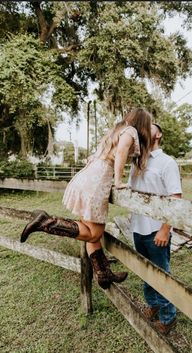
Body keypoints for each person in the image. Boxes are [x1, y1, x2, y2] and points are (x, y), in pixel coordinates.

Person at [20, 108, 152, 290]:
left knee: (90, 235)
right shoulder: (130, 131)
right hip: (97, 180)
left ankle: (104, 274)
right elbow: (121, 153)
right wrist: (119, 181)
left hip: (88, 176)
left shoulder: (116, 130)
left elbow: (94, 156)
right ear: (142, 123)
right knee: (94, 233)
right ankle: (46, 222)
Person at [128, 123, 182, 335]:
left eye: (149, 126)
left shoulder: (167, 163)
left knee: (161, 274)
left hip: (156, 230)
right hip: (137, 228)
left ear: (158, 134)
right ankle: (154, 305)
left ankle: (168, 317)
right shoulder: (136, 162)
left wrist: (165, 230)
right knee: (146, 272)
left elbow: (175, 199)